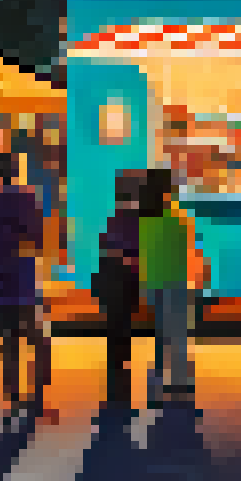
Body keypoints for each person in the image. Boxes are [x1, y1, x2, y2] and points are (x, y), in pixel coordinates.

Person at [0, 150, 51, 417]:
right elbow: (38, 238)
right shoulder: (27, 198)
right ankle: (39, 394)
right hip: (22, 276)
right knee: (36, 338)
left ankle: (12, 397)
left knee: (8, 339)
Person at [138, 168, 199, 406]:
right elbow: (187, 246)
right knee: (178, 332)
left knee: (160, 332)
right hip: (175, 279)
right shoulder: (178, 216)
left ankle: (157, 376)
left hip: (152, 281)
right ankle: (180, 379)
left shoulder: (144, 217)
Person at [96, 169, 145, 406]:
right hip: (127, 280)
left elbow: (106, 249)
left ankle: (116, 372)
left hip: (114, 280)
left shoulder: (113, 219)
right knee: (124, 325)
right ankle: (120, 371)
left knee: (115, 326)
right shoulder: (134, 220)